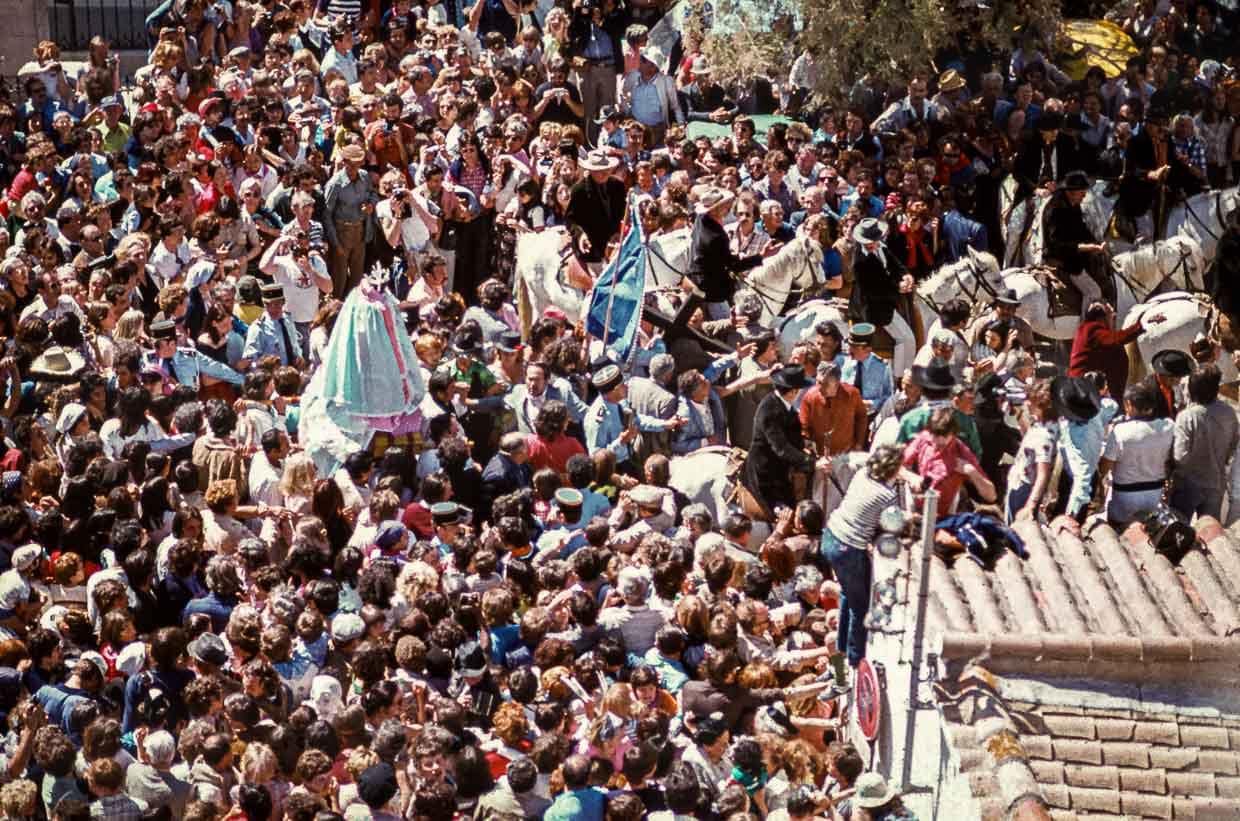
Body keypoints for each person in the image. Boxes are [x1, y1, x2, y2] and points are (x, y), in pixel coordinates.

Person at [742, 365, 822, 517]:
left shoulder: (787, 407)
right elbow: (781, 448)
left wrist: (805, 443)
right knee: (785, 512)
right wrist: (812, 463)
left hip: (784, 466)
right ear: (793, 392)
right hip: (766, 471)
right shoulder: (769, 409)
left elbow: (792, 435)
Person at [1099, 381, 1175, 528]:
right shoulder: (1168, 427)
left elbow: (1104, 468)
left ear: (1129, 405)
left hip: (1123, 504)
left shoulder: (1120, 431)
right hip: (1154, 499)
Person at [847, 219, 916, 377]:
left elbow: (896, 265)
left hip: (889, 293)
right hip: (873, 306)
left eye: (874, 241)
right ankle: (899, 377)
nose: (872, 245)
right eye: (868, 242)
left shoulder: (882, 247)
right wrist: (898, 288)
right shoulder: (859, 262)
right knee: (906, 338)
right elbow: (872, 290)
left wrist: (906, 276)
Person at [1170, 364, 1238, 520]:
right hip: (1215, 483)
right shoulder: (1229, 413)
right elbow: (1233, 446)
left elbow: (1180, 456)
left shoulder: (1186, 417)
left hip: (1187, 486)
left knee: (1179, 533)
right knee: (1210, 533)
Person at [1068, 301, 1165, 399]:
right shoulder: (1094, 328)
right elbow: (1117, 338)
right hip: (1086, 385)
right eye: (1112, 317)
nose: (1112, 321)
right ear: (1103, 318)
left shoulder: (1086, 328)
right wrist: (1141, 326)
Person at [1042, 170, 1104, 313]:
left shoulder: (1073, 204)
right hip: (1062, 259)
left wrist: (1095, 243)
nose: (1084, 195)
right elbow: (1056, 244)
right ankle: (1086, 332)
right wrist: (1082, 247)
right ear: (1070, 192)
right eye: (1082, 192)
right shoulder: (1055, 210)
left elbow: (1082, 229)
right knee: (1094, 292)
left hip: (1073, 255)